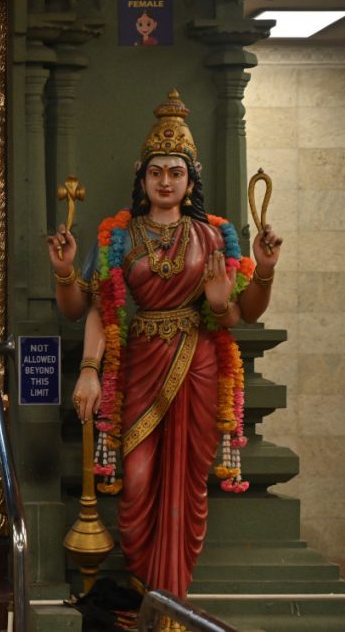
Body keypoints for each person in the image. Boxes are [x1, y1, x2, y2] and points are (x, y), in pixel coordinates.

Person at [46, 90, 282, 599]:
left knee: (189, 483)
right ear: (142, 177)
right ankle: (146, 593)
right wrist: (66, 277)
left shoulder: (215, 237)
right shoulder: (120, 237)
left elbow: (243, 313)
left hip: (197, 363)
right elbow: (86, 307)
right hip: (138, 364)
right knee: (136, 480)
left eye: (176, 172)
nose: (166, 181)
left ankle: (174, 600)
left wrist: (259, 274)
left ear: (190, 179)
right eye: (157, 173)